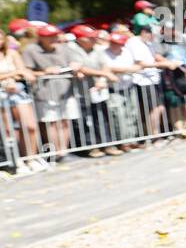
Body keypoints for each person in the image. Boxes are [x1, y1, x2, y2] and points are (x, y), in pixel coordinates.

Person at [21, 24, 82, 162]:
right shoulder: (31, 50)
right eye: (50, 36)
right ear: (41, 37)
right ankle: (54, 153)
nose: (54, 38)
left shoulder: (64, 48)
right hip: (44, 93)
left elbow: (76, 62)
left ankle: (63, 151)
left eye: (55, 35)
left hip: (65, 90)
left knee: (65, 121)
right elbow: (26, 71)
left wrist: (76, 66)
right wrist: (44, 72)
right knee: (51, 123)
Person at [68, 25, 125, 156]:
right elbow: (79, 67)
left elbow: (105, 66)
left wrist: (101, 79)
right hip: (80, 91)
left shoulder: (98, 49)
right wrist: (103, 74)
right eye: (90, 38)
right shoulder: (72, 49)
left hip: (98, 90)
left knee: (101, 117)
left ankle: (107, 144)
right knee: (85, 120)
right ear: (80, 39)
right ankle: (91, 146)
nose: (94, 39)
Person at [0, 31, 43, 171]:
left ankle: (31, 158)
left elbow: (23, 71)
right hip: (1, 95)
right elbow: (18, 72)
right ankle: (16, 161)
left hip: (17, 92)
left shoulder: (11, 53)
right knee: (9, 131)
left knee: (30, 126)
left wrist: (12, 78)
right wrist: (12, 75)